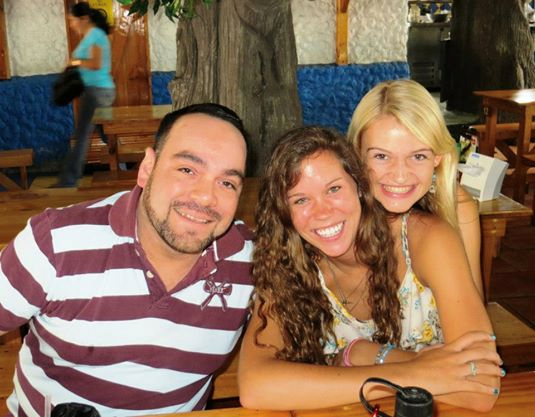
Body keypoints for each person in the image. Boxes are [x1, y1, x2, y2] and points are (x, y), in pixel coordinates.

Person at [0, 103, 253, 417]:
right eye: (187, 170)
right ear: (147, 168)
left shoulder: (253, 263)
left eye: (227, 182)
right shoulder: (57, 242)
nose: (205, 196)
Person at [238, 126, 502, 412]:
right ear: (284, 213)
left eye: (334, 189)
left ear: (360, 187)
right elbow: (255, 386)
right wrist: (407, 367)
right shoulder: (286, 265)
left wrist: (358, 357)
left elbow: (481, 389)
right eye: (301, 200)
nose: (322, 212)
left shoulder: (424, 238)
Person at [347, 79, 484, 299]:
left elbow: (474, 302)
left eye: (418, 156)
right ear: (357, 154)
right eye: (381, 156)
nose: (400, 175)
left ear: (437, 157)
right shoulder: (339, 210)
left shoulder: (458, 206)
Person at [53, 2, 115, 187]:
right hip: (97, 91)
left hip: (97, 92)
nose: (71, 24)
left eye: (73, 20)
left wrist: (75, 61)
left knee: (82, 135)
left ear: (84, 18)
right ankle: (124, 168)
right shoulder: (92, 35)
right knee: (107, 134)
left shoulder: (95, 34)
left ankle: (68, 180)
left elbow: (96, 64)